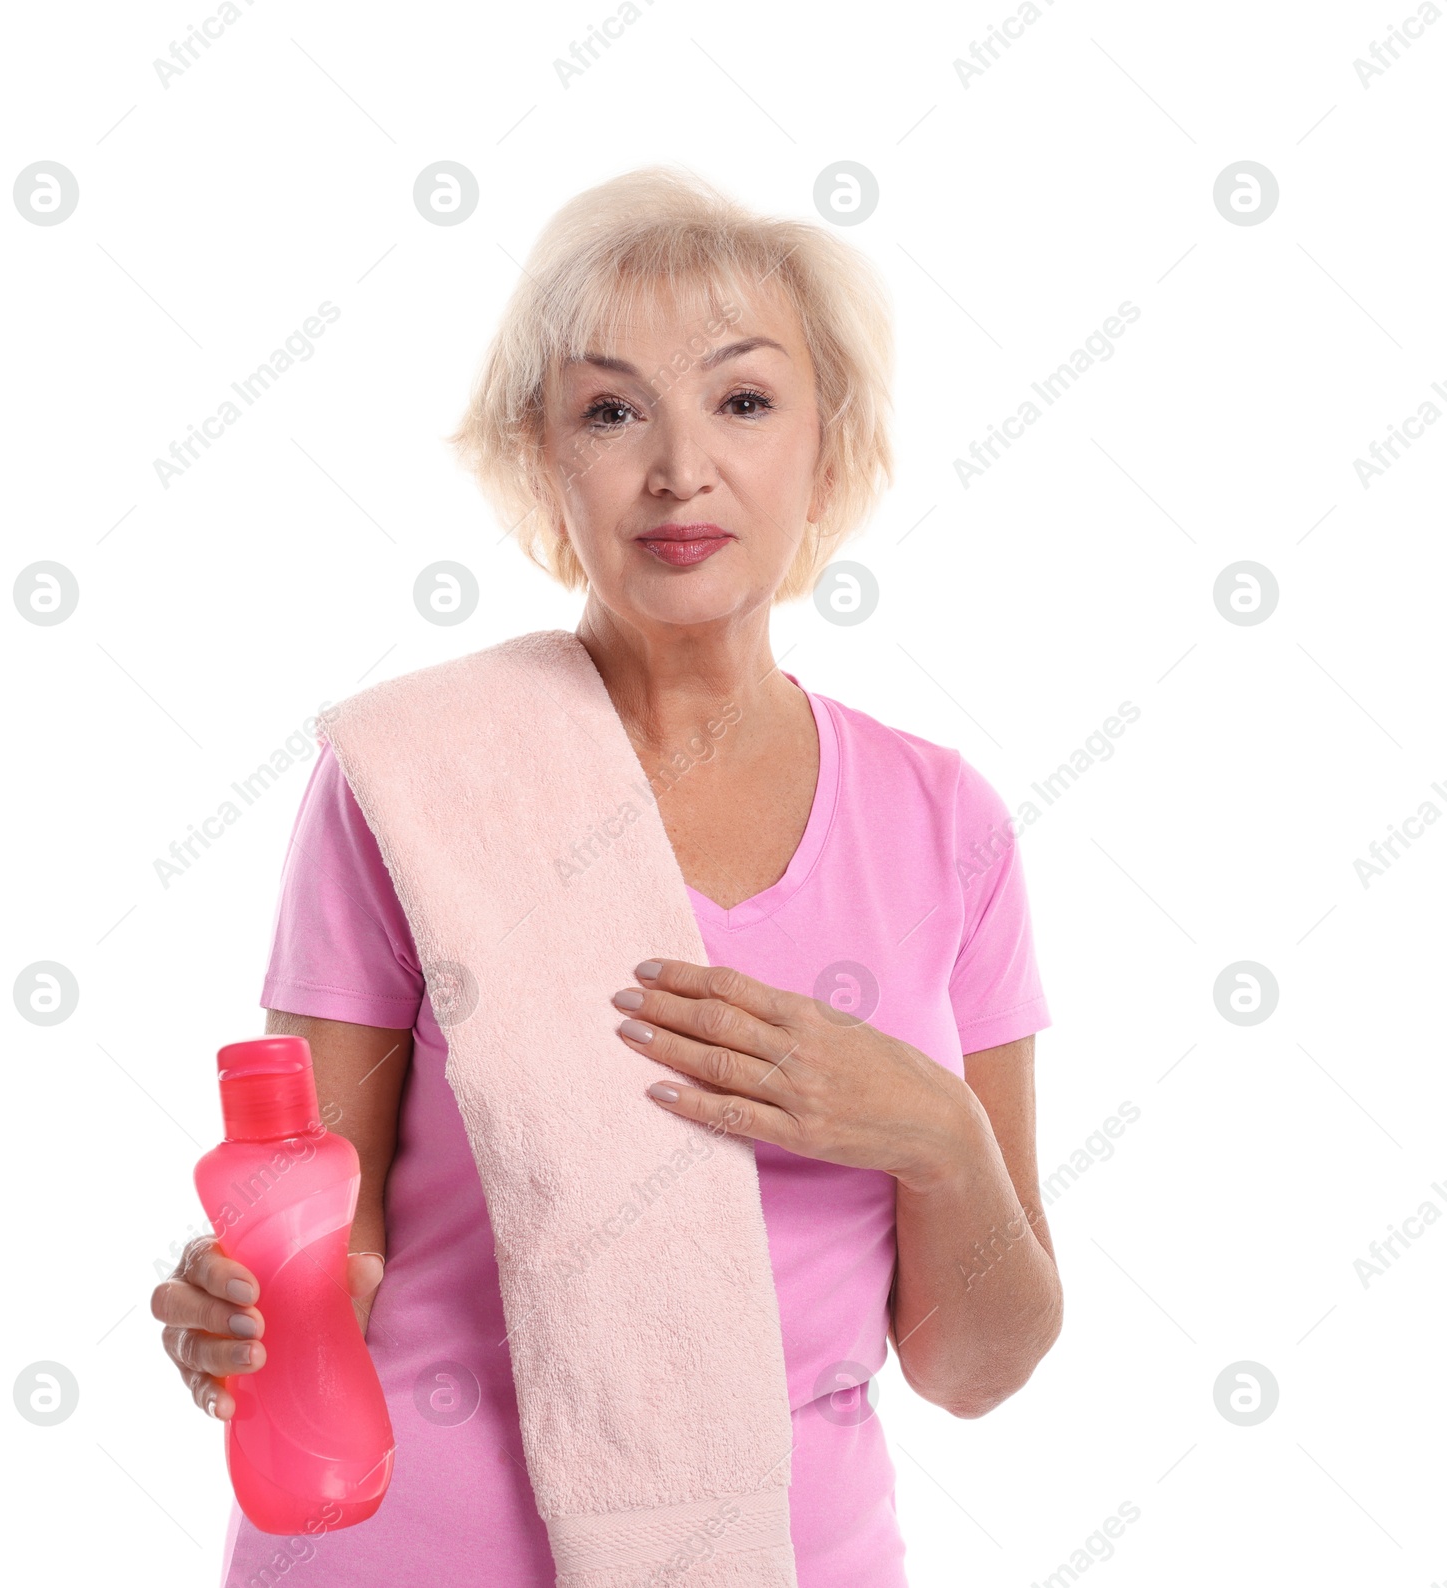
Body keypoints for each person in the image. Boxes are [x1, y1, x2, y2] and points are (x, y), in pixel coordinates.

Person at [151, 163, 1063, 1587]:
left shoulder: (946, 827)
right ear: (543, 458)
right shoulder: (414, 778)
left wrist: (934, 1131)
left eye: (744, 401)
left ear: (829, 446)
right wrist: (245, 1320)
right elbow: (327, 1257)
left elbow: (977, 1368)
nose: (679, 469)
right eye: (612, 409)